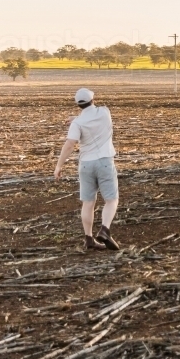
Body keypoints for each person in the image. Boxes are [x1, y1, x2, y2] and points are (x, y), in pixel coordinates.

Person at [54, 88, 120, 251]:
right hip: (104, 161)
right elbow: (92, 117)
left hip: (86, 164)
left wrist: (59, 165)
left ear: (78, 104)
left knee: (88, 203)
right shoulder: (105, 112)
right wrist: (76, 118)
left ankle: (89, 239)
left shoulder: (78, 123)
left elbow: (70, 144)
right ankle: (104, 230)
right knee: (111, 200)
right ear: (92, 99)